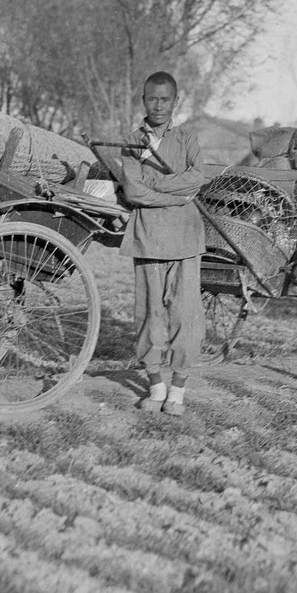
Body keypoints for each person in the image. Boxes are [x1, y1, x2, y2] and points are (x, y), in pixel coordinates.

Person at [119, 72, 209, 417]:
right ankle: (156, 385)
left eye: (165, 99)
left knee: (185, 314)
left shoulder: (187, 137)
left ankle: (178, 390)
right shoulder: (131, 142)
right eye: (152, 99)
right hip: (147, 237)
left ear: (175, 102)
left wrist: (155, 185)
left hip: (185, 239)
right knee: (149, 315)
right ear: (143, 101)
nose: (158, 106)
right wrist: (176, 193)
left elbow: (197, 177)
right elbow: (133, 191)